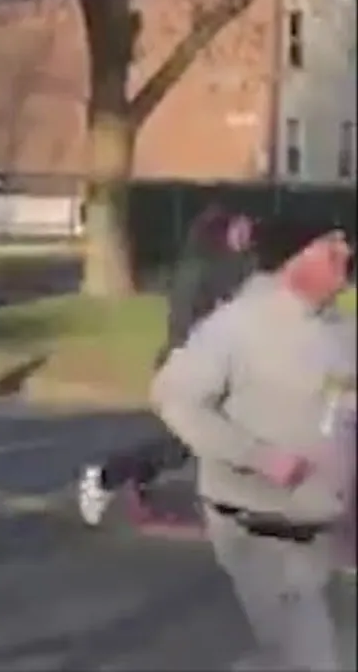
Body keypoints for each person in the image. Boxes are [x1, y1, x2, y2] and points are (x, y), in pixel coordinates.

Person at [151, 220, 354, 672]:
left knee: (291, 651)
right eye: (331, 245)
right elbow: (174, 398)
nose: (345, 253)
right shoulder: (236, 326)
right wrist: (259, 457)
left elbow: (342, 409)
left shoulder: (341, 329)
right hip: (254, 523)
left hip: (316, 524)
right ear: (295, 259)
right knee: (312, 656)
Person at [79, 207, 256, 526]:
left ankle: (234, 504)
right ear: (220, 232)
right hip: (188, 366)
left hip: (221, 368)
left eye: (247, 229)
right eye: (239, 229)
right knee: (182, 445)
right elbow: (183, 325)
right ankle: (107, 476)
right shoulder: (197, 271)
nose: (247, 234)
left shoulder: (237, 269)